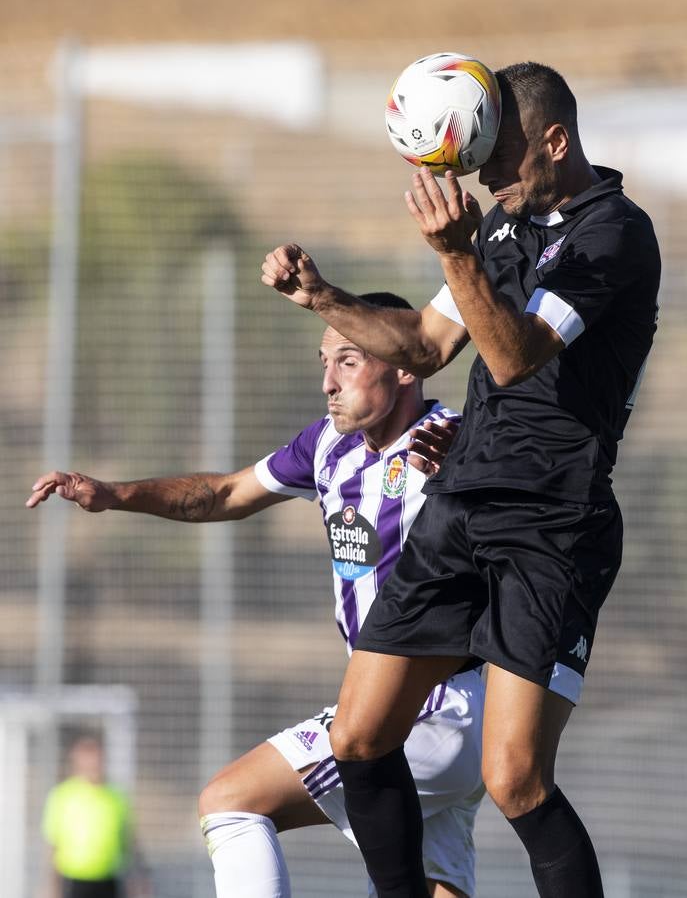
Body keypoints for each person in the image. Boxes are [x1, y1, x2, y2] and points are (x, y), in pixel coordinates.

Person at [260, 62, 661, 898]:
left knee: (514, 777)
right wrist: (321, 296)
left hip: (552, 526)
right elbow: (423, 346)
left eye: (498, 152)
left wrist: (452, 252)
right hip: (461, 504)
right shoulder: (501, 230)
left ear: (554, 141)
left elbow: (513, 358)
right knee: (360, 737)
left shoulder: (613, 233)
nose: (481, 173)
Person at [28, 292, 486, 898]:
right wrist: (116, 494)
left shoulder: (452, 442)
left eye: (348, 361)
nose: (327, 381)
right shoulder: (329, 446)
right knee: (432, 885)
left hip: (431, 704)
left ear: (406, 364)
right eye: (323, 361)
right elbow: (222, 494)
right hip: (416, 707)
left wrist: (475, 474)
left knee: (231, 801)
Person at [41, 733, 150, 898]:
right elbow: (53, 845)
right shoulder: (62, 795)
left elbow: (130, 843)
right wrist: (51, 887)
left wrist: (139, 882)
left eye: (97, 758)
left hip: (108, 878)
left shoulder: (116, 796)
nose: (93, 764)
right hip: (73, 880)